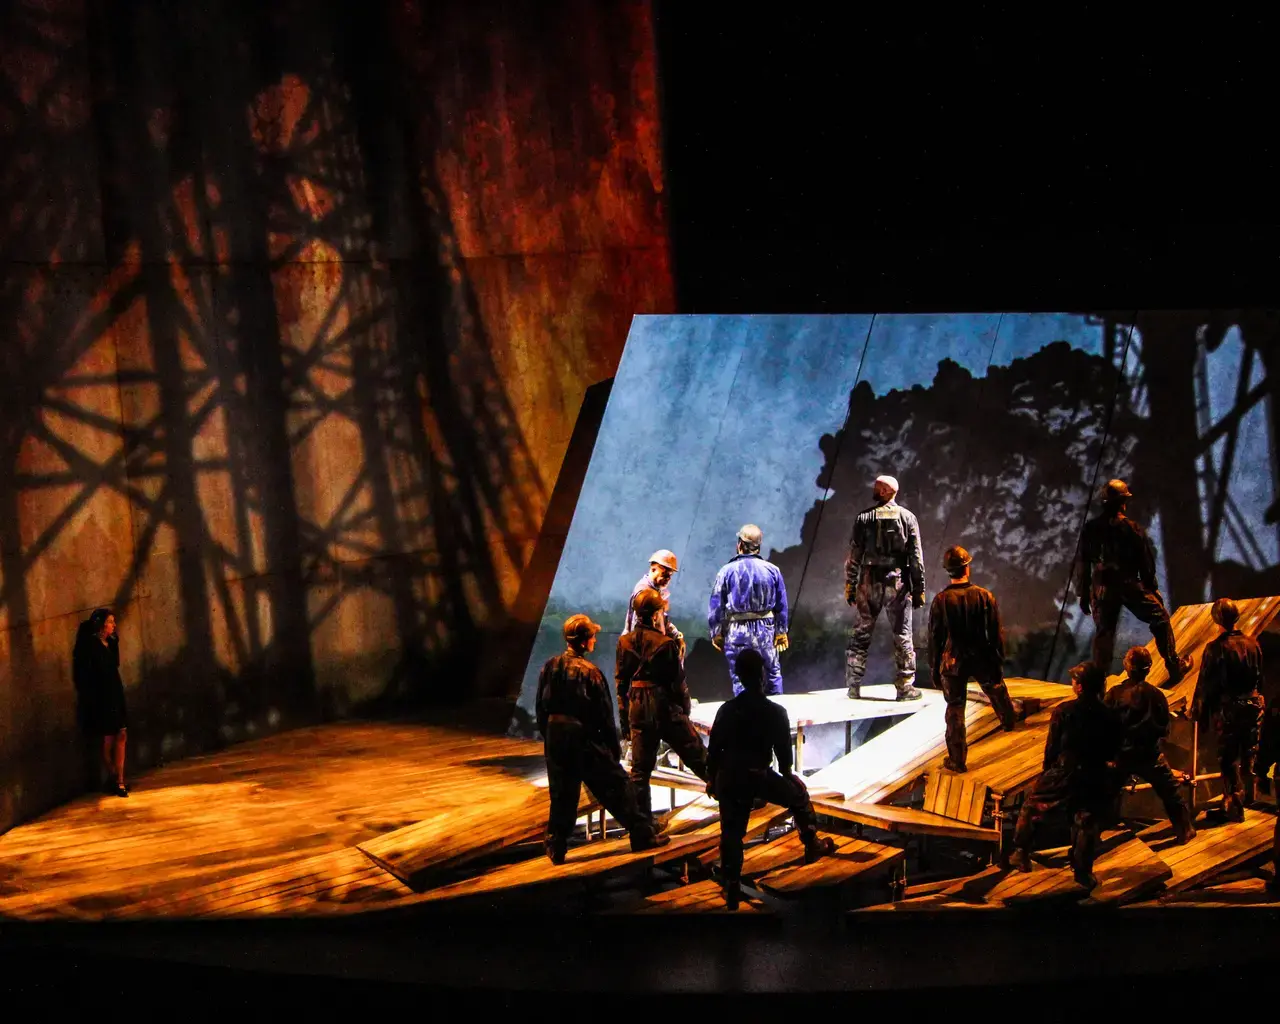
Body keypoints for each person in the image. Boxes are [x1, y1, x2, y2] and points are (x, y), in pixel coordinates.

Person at [706, 649, 835, 910]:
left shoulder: (727, 710)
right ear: (762, 675)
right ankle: (812, 844)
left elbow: (714, 750)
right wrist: (789, 776)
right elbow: (784, 757)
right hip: (756, 777)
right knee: (799, 796)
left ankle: (731, 883)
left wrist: (712, 779)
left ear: (739, 676)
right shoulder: (775, 712)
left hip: (729, 778)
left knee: (731, 832)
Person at [535, 613, 669, 863]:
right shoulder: (591, 673)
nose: (595, 640)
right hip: (581, 737)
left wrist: (550, 737)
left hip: (555, 736)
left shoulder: (549, 666)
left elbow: (540, 709)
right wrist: (612, 750)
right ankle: (642, 834)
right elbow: (604, 716)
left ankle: (556, 845)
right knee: (617, 786)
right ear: (585, 641)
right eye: (593, 636)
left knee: (561, 794)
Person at [1009, 662, 1124, 890]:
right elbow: (1113, 748)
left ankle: (1020, 853)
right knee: (1086, 821)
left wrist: (1048, 772)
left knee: (1032, 807)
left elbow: (1052, 748)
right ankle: (1082, 872)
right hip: (1094, 773)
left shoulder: (1064, 711)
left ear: (1080, 687)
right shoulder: (1109, 715)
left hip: (1065, 769)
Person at [1079, 479, 1192, 682]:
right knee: (1161, 619)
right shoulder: (1131, 528)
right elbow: (1145, 562)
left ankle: (1097, 685)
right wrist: (1151, 587)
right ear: (1123, 502)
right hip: (1127, 584)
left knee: (1104, 634)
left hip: (1102, 589)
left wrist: (1083, 593)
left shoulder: (1090, 529)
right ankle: (1174, 667)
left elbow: (1083, 563)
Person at [617, 589, 710, 825]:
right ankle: (733, 801)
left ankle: (643, 829)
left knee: (640, 771)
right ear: (657, 614)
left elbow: (621, 685)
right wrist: (685, 710)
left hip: (637, 707)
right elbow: (678, 683)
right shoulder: (665, 644)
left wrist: (624, 720)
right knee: (698, 757)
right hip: (663, 706)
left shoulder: (624, 642)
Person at [928, 545, 1017, 773]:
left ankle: (957, 761)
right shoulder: (984, 596)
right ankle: (1009, 721)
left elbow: (935, 639)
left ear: (949, 571)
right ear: (967, 567)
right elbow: (996, 633)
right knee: (995, 687)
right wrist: (998, 660)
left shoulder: (940, 600)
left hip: (952, 660)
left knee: (955, 709)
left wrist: (934, 668)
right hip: (981, 656)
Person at [844, 475, 925, 701]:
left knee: (861, 634)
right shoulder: (908, 518)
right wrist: (919, 588)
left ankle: (853, 685)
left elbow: (854, 555)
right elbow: (916, 556)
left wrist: (850, 585)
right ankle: (906, 687)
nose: (874, 489)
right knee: (902, 635)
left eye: (877, 487)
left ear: (883, 492)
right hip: (897, 581)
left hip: (869, 580)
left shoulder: (864, 518)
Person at [1104, 646, 1197, 843]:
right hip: (1149, 755)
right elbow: (1164, 727)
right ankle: (1185, 829)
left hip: (1122, 755)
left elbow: (1105, 725)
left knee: (1104, 796)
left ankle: (1093, 838)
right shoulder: (1157, 696)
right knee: (1170, 792)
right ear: (1148, 669)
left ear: (1127, 666)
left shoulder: (1114, 694)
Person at [1193, 598, 1264, 822]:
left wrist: (1199, 714)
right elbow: (1259, 678)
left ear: (1216, 619)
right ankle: (1248, 798)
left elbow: (1205, 685)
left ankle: (1233, 807)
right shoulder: (1254, 644)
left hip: (1230, 710)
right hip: (1253, 706)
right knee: (1249, 753)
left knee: (1228, 759)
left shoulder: (1215, 648)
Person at [708, 524, 790, 696]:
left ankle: (745, 719)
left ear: (739, 544)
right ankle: (776, 718)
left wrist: (716, 632)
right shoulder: (772, 570)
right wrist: (781, 632)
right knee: (772, 673)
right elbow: (781, 604)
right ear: (759, 546)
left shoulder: (726, 571)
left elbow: (716, 604)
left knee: (740, 677)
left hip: (738, 631)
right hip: (766, 630)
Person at [72, 608, 129, 797]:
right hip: (102, 695)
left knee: (121, 734)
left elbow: (115, 664)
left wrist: (115, 643)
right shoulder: (90, 645)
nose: (114, 625)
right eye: (111, 622)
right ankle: (113, 775)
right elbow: (87, 673)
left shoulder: (111, 643)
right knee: (108, 739)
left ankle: (120, 779)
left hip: (115, 691)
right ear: (102, 624)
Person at [622, 550, 686, 662]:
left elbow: (662, 620)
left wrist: (677, 636)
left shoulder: (656, 591)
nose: (668, 579)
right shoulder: (644, 592)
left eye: (670, 575)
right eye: (665, 574)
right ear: (653, 569)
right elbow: (637, 629)